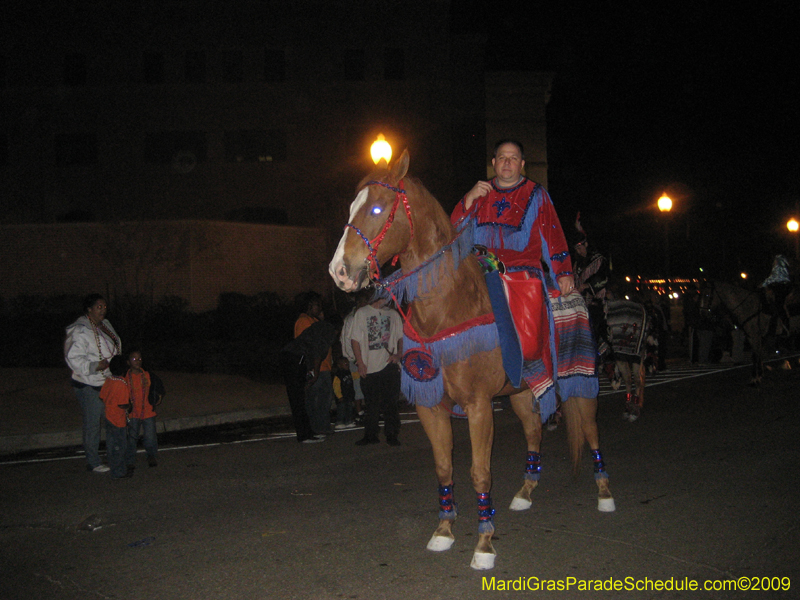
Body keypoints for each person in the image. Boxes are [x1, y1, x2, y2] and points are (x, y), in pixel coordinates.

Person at [451, 139, 596, 423]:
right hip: (481, 267)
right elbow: (453, 235)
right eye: (502, 157)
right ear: (493, 163)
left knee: (528, 331)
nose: (507, 162)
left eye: (513, 158)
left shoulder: (536, 195)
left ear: (522, 164)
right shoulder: (479, 193)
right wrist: (467, 200)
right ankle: (459, 382)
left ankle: (536, 373)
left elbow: (552, 236)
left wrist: (563, 273)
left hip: (521, 272)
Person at [64, 293, 122, 473]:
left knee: (112, 419)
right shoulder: (80, 329)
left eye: (104, 307)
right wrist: (95, 365)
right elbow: (72, 358)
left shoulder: (105, 326)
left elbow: (115, 346)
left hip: (108, 381)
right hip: (89, 383)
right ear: (89, 309)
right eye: (99, 307)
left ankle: (115, 455)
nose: (103, 310)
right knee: (93, 423)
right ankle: (93, 461)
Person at [350, 295, 404, 446]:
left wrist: (399, 354)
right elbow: (354, 340)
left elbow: (401, 336)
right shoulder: (362, 313)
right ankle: (370, 435)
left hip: (389, 365)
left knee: (391, 403)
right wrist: (360, 363)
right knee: (371, 404)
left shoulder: (393, 314)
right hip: (369, 366)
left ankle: (392, 434)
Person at [294, 292, 335, 437]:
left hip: (323, 366)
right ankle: (318, 427)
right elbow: (311, 346)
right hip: (316, 367)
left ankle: (320, 426)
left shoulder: (313, 321)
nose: (320, 307)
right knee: (318, 399)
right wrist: (315, 369)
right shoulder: (304, 321)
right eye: (317, 304)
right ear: (310, 306)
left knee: (322, 398)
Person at [98, 355, 133, 479]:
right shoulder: (122, 384)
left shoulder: (109, 380)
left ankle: (114, 468)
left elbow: (101, 396)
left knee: (111, 445)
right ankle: (119, 472)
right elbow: (123, 404)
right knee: (120, 447)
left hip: (108, 416)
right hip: (118, 420)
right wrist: (129, 406)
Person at [125, 349, 159, 469]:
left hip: (148, 411)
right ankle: (130, 460)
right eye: (134, 359)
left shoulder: (147, 375)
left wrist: (156, 398)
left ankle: (151, 455)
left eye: (139, 358)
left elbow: (157, 389)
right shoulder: (125, 378)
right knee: (132, 438)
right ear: (128, 362)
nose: (137, 361)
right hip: (133, 413)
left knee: (150, 437)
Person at [341, 290, 371, 421]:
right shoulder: (351, 319)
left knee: (368, 385)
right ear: (359, 303)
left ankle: (370, 411)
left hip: (367, 358)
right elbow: (347, 341)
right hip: (355, 359)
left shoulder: (366, 316)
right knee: (357, 386)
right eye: (364, 302)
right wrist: (352, 359)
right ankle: (359, 412)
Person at [760, 254, 792, 337]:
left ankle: (785, 328)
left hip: (782, 290)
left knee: (779, 306)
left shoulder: (782, 272)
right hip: (777, 290)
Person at [332, 356, 357, 430]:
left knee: (349, 408)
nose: (347, 364)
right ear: (339, 365)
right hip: (342, 397)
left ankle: (348, 421)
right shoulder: (338, 374)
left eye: (348, 363)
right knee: (341, 409)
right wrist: (339, 396)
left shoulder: (348, 372)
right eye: (345, 363)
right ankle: (340, 422)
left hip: (349, 395)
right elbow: (336, 386)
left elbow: (354, 376)